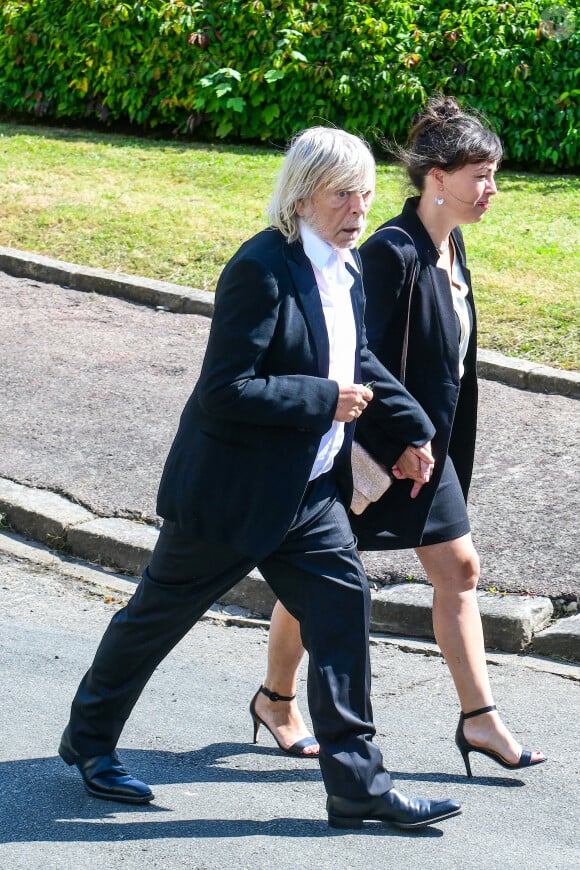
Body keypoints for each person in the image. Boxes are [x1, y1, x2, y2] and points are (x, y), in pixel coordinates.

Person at [58, 125, 463, 830]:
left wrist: (411, 428)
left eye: (365, 194)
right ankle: (89, 740)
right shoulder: (261, 268)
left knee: (343, 612)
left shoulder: (348, 266)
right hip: (230, 494)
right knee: (155, 620)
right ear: (303, 197)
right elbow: (226, 388)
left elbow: (356, 359)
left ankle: (356, 784)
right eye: (342, 195)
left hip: (308, 495)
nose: (357, 210)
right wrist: (320, 402)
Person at [253, 98, 546, 778]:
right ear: (435, 178)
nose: (491, 190)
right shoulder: (391, 251)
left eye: (494, 174)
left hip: (427, 450)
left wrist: (431, 441)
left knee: (458, 570)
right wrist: (397, 439)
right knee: (321, 578)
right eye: (480, 175)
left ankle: (479, 720)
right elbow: (355, 354)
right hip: (377, 449)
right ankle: (275, 699)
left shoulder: (449, 245)